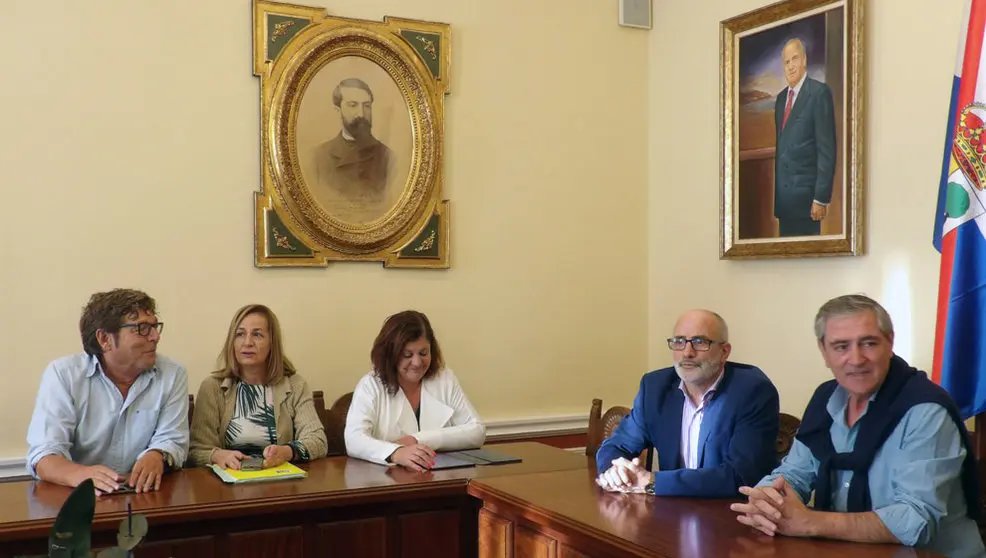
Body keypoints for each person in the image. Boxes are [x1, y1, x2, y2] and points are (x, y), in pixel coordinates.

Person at [731, 294, 985, 558]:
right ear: (824, 351)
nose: (856, 359)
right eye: (841, 346)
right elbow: (794, 475)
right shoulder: (825, 399)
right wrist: (767, 500)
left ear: (890, 343)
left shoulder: (926, 410)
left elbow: (916, 520)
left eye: (869, 343)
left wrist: (810, 522)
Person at [594, 309, 780, 497]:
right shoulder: (655, 388)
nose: (687, 352)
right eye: (679, 341)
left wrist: (653, 482)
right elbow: (617, 445)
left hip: (730, 514)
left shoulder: (752, 392)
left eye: (700, 342)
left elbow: (741, 476)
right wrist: (615, 471)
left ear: (724, 352)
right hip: (672, 512)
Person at [26, 289, 189, 494]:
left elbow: (173, 439)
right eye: (142, 328)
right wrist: (79, 475)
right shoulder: (64, 375)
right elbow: (43, 455)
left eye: (155, 326)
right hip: (77, 499)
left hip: (143, 495)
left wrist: (157, 455)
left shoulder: (173, 374)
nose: (155, 337)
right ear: (104, 339)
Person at [189, 304, 327, 469]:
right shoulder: (212, 388)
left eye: (257, 335)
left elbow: (317, 440)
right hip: (228, 487)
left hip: (281, 485)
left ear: (272, 343)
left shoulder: (294, 385)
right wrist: (217, 455)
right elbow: (195, 451)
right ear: (232, 342)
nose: (247, 342)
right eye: (240, 334)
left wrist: (288, 451)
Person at [345, 310, 485, 471]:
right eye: (407, 354)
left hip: (441, 480)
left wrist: (416, 440)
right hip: (387, 483)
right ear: (391, 354)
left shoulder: (445, 379)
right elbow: (353, 440)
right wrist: (396, 453)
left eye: (423, 353)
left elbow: (477, 431)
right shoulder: (370, 385)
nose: (417, 363)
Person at [773, 37, 837, 237]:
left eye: (795, 59)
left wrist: (820, 198)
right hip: (785, 204)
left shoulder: (819, 93)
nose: (791, 66)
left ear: (804, 60)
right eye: (786, 62)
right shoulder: (781, 98)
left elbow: (827, 150)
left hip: (807, 204)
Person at [313, 78, 394, 210]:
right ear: (338, 110)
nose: (361, 114)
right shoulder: (318, 157)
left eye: (367, 106)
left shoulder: (388, 157)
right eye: (352, 105)